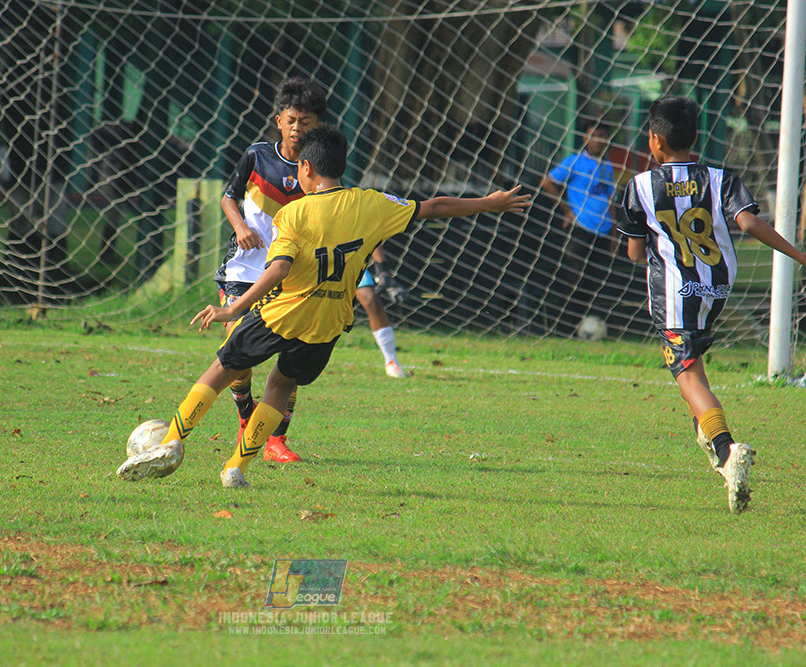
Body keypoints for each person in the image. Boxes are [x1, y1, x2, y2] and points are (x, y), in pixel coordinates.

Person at [117, 124, 530, 488]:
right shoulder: (373, 204)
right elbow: (435, 207)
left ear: (307, 169)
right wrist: (488, 203)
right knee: (280, 386)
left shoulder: (294, 213)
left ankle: (171, 441)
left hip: (283, 314)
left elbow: (278, 269)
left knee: (224, 366)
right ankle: (235, 468)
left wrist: (234, 307)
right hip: (329, 323)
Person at [619, 96, 806, 514]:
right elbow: (751, 223)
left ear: (654, 141)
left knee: (688, 379)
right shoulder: (721, 178)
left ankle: (726, 450)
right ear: (696, 138)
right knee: (693, 368)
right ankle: (709, 439)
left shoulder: (640, 187)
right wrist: (801, 257)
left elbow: (634, 253)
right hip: (715, 290)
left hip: (673, 295)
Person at [214, 76, 328, 464]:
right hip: (244, 270)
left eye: (306, 121)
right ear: (278, 120)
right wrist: (241, 227)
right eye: (292, 119)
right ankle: (248, 418)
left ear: (317, 124)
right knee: (235, 350)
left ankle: (276, 439)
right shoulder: (257, 155)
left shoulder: (319, 168)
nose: (298, 128)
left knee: (289, 361)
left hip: (291, 277)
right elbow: (229, 197)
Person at [541, 121, 619, 335]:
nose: (598, 140)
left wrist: (614, 235)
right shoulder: (574, 162)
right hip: (580, 229)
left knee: (592, 282)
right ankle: (561, 328)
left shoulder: (607, 167)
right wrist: (567, 210)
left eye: (603, 135)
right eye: (594, 135)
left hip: (602, 231)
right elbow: (547, 182)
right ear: (585, 138)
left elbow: (611, 199)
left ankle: (580, 328)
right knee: (573, 279)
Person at [356, 246, 409, 378]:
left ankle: (391, 361)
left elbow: (374, 234)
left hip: (348, 260)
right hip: (315, 257)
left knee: (371, 299)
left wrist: (383, 271)